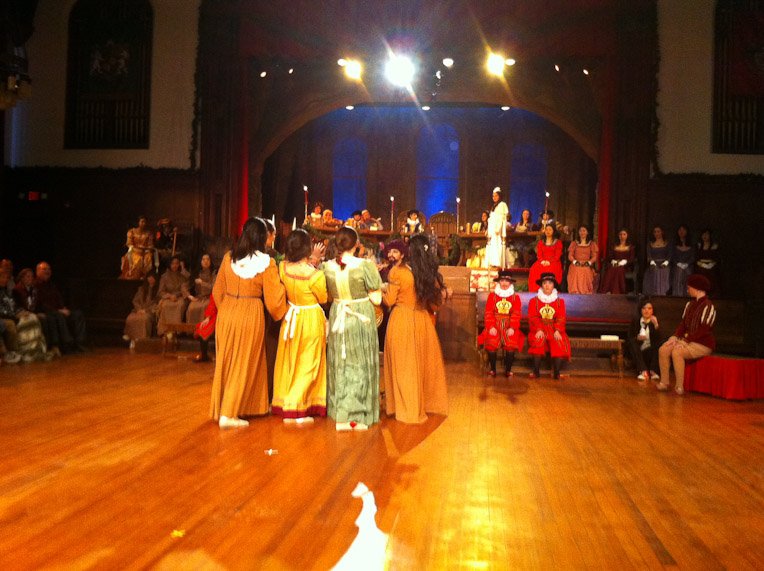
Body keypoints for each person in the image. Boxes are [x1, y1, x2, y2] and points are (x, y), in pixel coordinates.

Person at [210, 217, 286, 428]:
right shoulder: (267, 263)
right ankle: (229, 414)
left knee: (227, 362)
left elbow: (217, 291)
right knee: (244, 363)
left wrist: (228, 309)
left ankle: (240, 407)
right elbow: (274, 301)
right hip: (250, 312)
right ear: (262, 237)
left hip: (227, 311)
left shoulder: (228, 258)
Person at [321, 226, 383, 431]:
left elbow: (326, 296)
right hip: (360, 316)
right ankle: (354, 416)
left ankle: (340, 412)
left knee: (341, 362)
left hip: (338, 314)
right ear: (356, 245)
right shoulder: (365, 265)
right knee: (358, 363)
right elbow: (377, 298)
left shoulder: (326, 266)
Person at [383, 233, 448, 424]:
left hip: (402, 320)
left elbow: (389, 301)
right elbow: (435, 305)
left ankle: (406, 409)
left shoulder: (398, 273)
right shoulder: (428, 274)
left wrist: (378, 292)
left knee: (404, 368)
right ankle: (423, 405)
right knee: (421, 368)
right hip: (423, 323)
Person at [271, 229, 328, 422]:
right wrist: (315, 263)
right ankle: (294, 406)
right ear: (307, 248)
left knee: (290, 361)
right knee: (308, 363)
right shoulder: (315, 275)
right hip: (310, 318)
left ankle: (284, 401)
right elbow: (323, 298)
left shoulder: (282, 268)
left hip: (290, 317)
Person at [657, 274, 716, 395]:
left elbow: (704, 330)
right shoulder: (689, 304)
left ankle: (679, 388)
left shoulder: (708, 306)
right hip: (688, 340)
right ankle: (664, 383)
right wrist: (675, 337)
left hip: (703, 344)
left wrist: (685, 340)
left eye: (689, 288)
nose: (688, 290)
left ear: (696, 288)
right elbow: (683, 325)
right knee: (664, 349)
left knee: (677, 352)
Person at [35, 261, 89, 353]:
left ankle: (80, 342)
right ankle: (66, 344)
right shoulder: (36, 285)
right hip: (47, 311)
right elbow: (41, 304)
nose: (47, 271)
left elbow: (59, 298)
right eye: (44, 269)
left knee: (78, 314)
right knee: (60, 316)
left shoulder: (51, 284)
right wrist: (58, 310)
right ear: (38, 272)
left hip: (58, 310)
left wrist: (63, 307)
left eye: (49, 269)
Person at [528, 272, 571, 380]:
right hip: (539, 328)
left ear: (553, 286)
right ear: (541, 285)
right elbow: (533, 317)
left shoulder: (560, 302)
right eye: (545, 283)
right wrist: (538, 329)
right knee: (537, 341)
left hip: (553, 328)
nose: (547, 286)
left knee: (559, 342)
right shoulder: (534, 301)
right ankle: (536, 372)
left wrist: (557, 330)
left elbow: (561, 318)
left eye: (550, 283)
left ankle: (557, 373)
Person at [484, 270, 525, 377]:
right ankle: (493, 369)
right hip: (495, 324)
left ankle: (508, 370)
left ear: (510, 283)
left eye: (506, 281)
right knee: (491, 342)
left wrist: (512, 327)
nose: (504, 283)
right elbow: (489, 312)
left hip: (509, 325)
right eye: (502, 281)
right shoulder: (492, 296)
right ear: (499, 282)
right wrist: (491, 327)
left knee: (511, 343)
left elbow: (516, 313)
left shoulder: (515, 298)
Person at [626, 299, 662, 381]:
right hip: (638, 350)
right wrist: (637, 338)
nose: (647, 311)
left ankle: (653, 371)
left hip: (650, 351)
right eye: (644, 308)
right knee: (633, 342)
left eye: (649, 308)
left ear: (653, 310)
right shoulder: (635, 321)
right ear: (640, 310)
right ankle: (643, 371)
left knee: (659, 345)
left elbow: (659, 339)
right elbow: (629, 337)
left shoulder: (656, 321)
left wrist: (656, 325)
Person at [156, 256, 191, 336]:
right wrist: (169, 296)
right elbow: (161, 292)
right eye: (172, 264)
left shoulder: (182, 275)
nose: (174, 266)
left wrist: (183, 269)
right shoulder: (164, 276)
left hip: (180, 297)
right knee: (165, 306)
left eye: (176, 263)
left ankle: (176, 330)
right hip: (168, 297)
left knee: (180, 305)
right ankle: (165, 330)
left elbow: (186, 285)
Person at [123, 271, 159, 348]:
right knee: (131, 318)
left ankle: (142, 340)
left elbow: (157, 304)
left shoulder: (158, 290)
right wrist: (139, 309)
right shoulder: (141, 289)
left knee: (143, 319)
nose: (150, 279)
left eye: (152, 277)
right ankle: (132, 338)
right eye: (149, 277)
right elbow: (135, 300)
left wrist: (146, 310)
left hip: (150, 311)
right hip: (138, 310)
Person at [599, 228, 635, 294]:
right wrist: (614, 261)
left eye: (624, 234)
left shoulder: (631, 247)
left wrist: (623, 262)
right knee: (611, 270)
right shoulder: (614, 246)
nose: (622, 236)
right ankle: (607, 290)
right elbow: (610, 257)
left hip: (625, 266)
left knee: (618, 270)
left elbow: (631, 259)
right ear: (618, 236)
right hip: (614, 264)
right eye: (620, 234)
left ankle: (617, 291)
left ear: (627, 235)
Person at [529, 224, 563, 293]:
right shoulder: (541, 242)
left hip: (554, 261)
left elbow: (557, 256)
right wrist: (542, 261)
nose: (548, 231)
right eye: (546, 229)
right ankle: (536, 290)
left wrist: (549, 261)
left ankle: (550, 289)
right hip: (543, 261)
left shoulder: (558, 242)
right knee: (534, 268)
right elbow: (539, 254)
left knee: (549, 269)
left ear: (553, 231)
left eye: (550, 229)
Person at [567, 225, 599, 294]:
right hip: (576, 263)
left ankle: (585, 291)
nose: (582, 232)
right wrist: (575, 261)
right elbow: (570, 256)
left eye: (584, 231)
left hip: (586, 263)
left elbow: (594, 257)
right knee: (577, 269)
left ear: (587, 232)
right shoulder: (574, 243)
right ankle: (575, 291)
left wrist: (589, 262)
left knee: (585, 270)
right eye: (580, 231)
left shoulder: (592, 244)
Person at [186, 254, 216, 325]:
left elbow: (214, 287)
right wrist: (188, 295)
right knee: (191, 308)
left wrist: (202, 283)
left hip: (209, 298)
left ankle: (203, 330)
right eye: (203, 259)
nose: (206, 261)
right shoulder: (196, 273)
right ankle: (192, 329)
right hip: (198, 298)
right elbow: (185, 285)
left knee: (205, 307)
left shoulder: (214, 274)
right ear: (200, 261)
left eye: (208, 259)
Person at [642, 225, 671, 296]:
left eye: (658, 231)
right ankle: (653, 294)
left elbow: (670, 254)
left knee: (664, 271)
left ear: (662, 232)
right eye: (655, 232)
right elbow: (649, 255)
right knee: (654, 271)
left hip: (664, 263)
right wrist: (652, 262)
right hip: (654, 263)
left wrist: (666, 262)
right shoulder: (650, 244)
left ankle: (663, 293)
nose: (656, 233)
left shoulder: (667, 243)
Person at [485, 187, 509, 268]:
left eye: (496, 196)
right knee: (492, 244)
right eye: (493, 196)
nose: (494, 197)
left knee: (497, 244)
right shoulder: (493, 206)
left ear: (500, 196)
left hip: (497, 228)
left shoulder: (502, 205)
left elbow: (501, 218)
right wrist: (488, 230)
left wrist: (498, 228)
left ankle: (497, 262)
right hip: (492, 227)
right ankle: (491, 262)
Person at [696, 228, 721, 296]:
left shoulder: (714, 246)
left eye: (706, 234)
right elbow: (696, 258)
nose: (705, 236)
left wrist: (711, 264)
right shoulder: (698, 246)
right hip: (701, 267)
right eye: (703, 234)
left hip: (711, 267)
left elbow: (717, 258)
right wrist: (702, 265)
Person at [670, 224, 694, 297]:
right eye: (680, 230)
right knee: (679, 271)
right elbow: (672, 257)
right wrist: (678, 264)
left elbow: (693, 258)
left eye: (683, 230)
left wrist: (686, 264)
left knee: (687, 271)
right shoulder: (674, 246)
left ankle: (688, 295)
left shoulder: (692, 246)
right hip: (676, 267)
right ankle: (677, 295)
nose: (681, 232)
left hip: (688, 267)